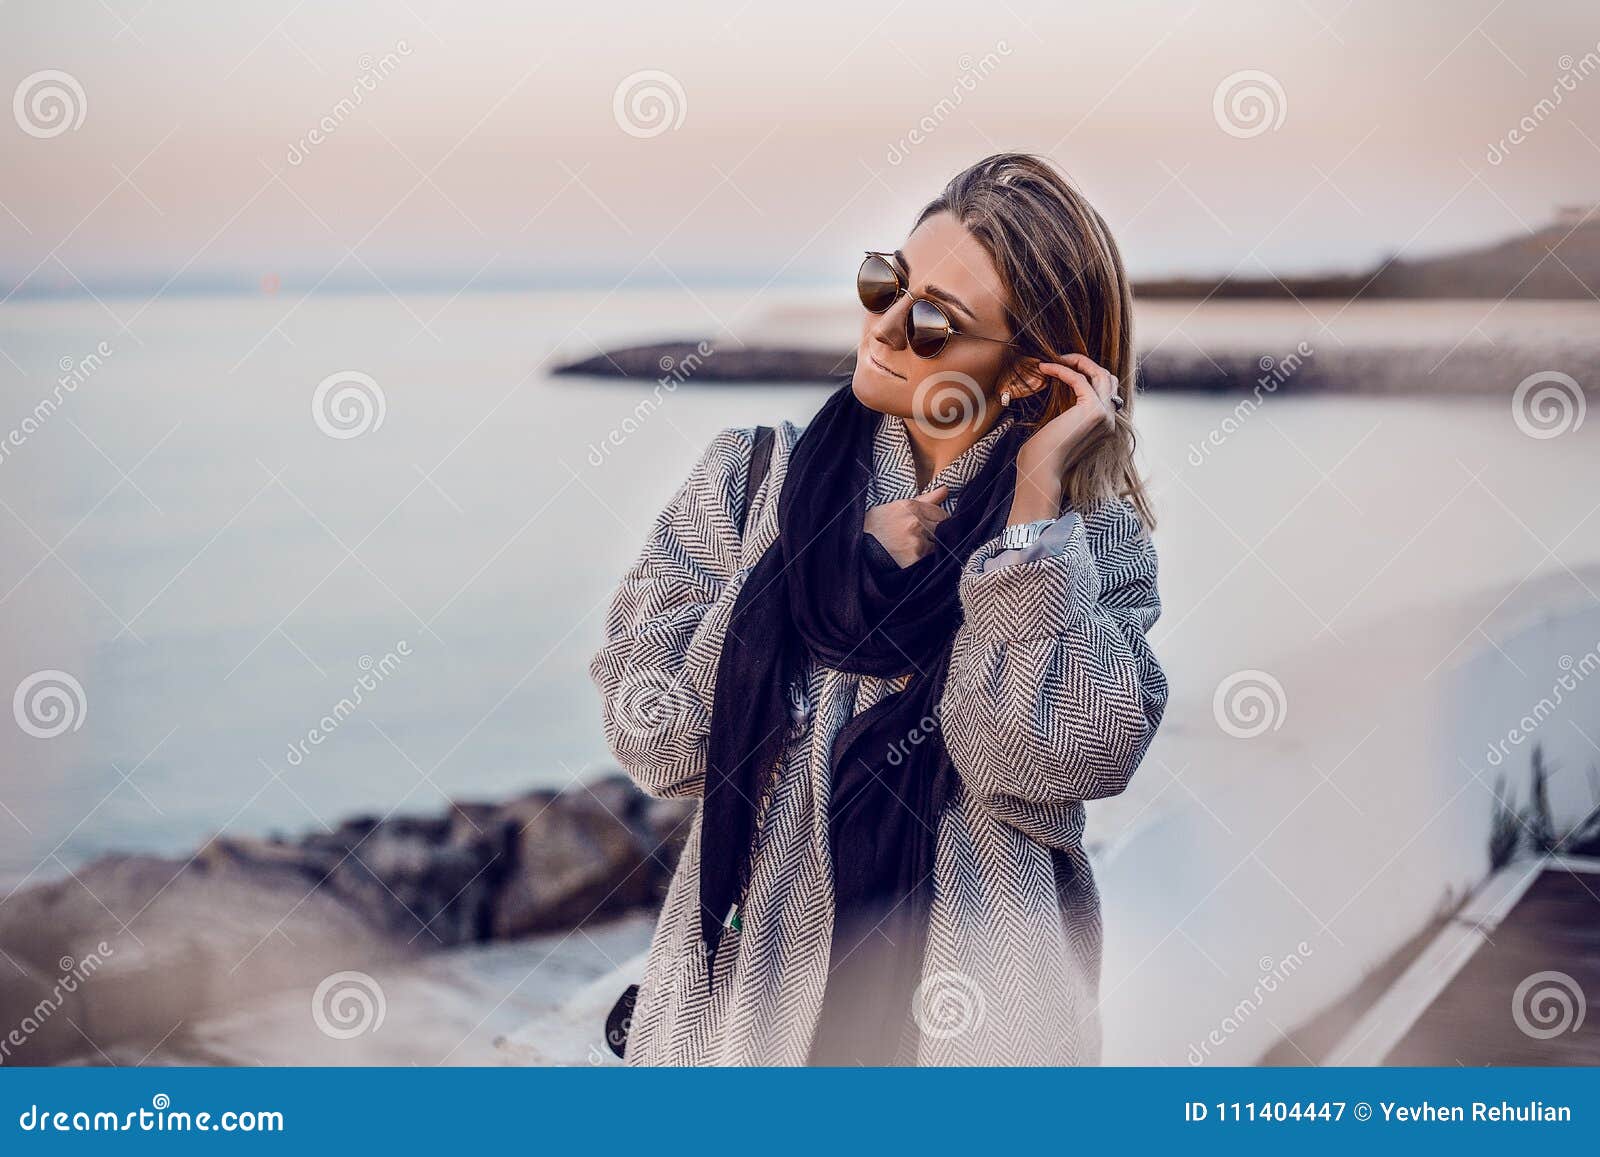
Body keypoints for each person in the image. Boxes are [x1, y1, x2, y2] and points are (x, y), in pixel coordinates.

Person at [590, 152, 1168, 1065]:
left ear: (1028, 376)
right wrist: (809, 567)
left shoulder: (1088, 549)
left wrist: (1027, 522)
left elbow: (1033, 758)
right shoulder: (749, 485)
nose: (887, 326)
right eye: (886, 282)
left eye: (936, 320)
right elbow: (654, 737)